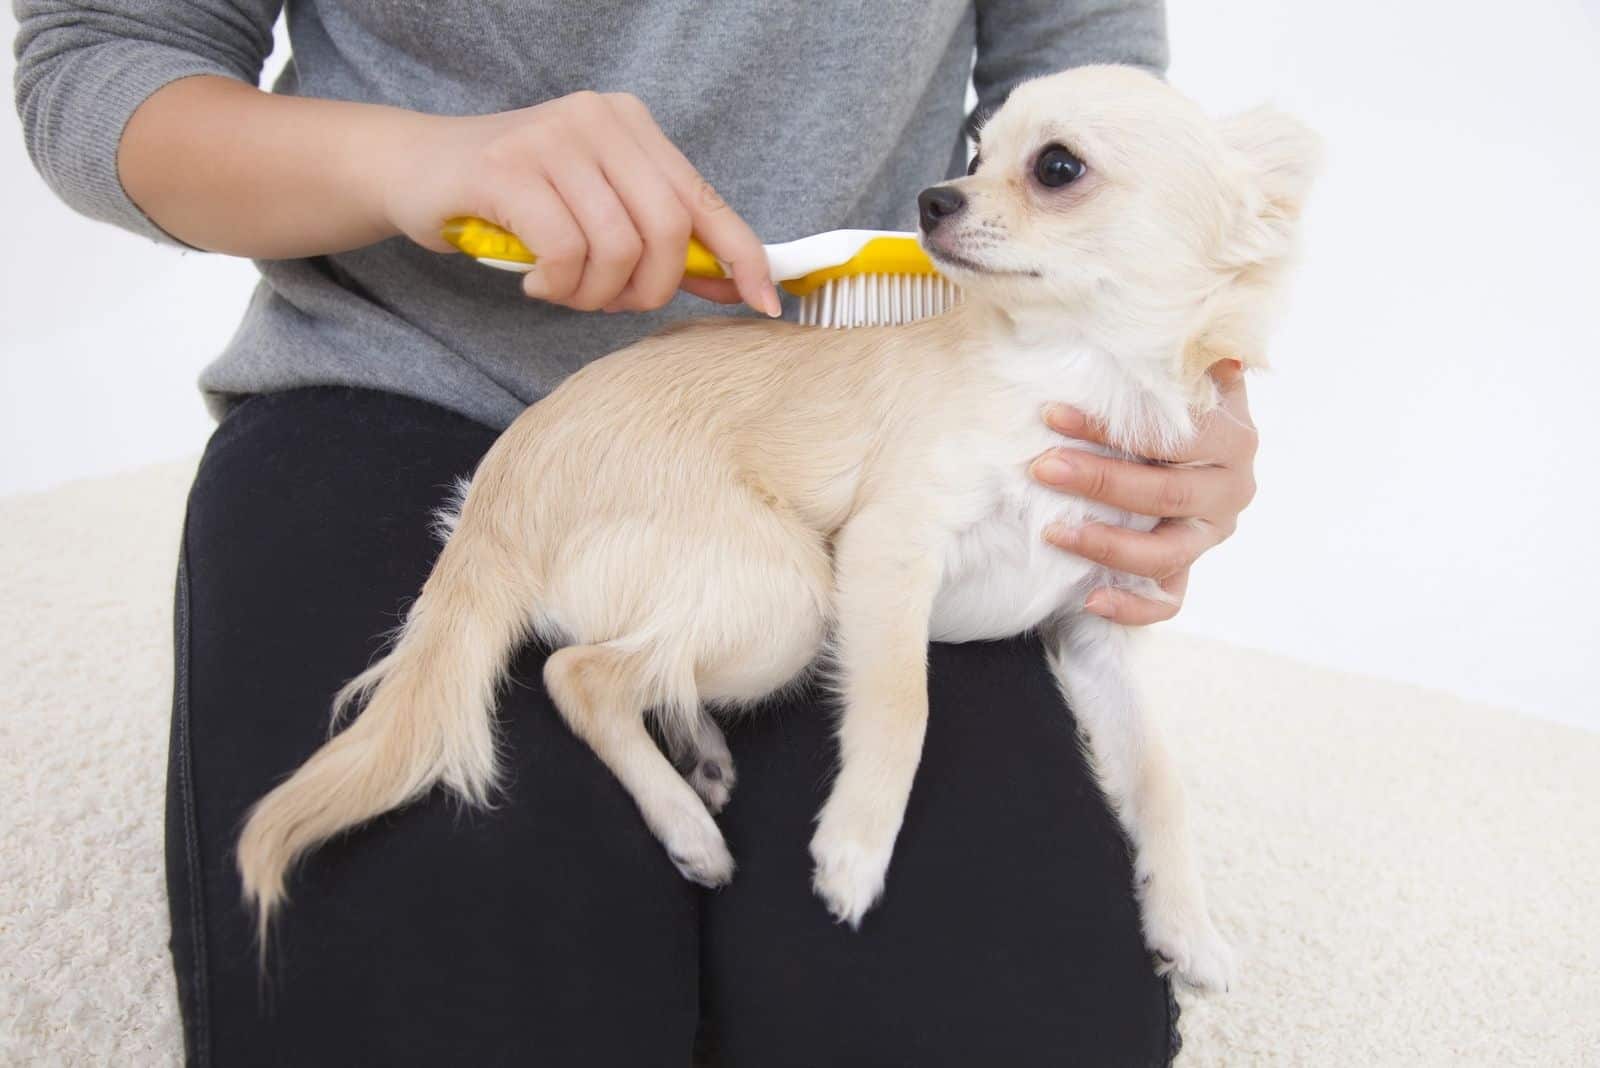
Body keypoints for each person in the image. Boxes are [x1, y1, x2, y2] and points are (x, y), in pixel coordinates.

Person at [14, 2, 1259, 1064]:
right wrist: (413, 162)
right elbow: (103, 58)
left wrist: (1177, 386)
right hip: (400, 388)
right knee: (452, 998)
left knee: (995, 1017)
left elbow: (1098, 105)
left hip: (858, 412)